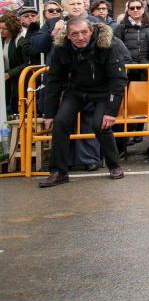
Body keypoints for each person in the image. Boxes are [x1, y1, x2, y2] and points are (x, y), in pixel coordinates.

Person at [38, 16, 130, 187]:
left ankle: (114, 165)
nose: (80, 38)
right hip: (76, 91)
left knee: (100, 124)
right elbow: (54, 81)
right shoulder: (61, 48)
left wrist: (110, 112)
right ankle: (58, 172)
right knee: (60, 123)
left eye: (83, 33)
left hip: (103, 91)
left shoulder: (109, 44)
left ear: (91, 31)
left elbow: (118, 80)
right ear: (67, 35)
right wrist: (49, 114)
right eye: (74, 34)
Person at [1, 11, 29, 116]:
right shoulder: (2, 40)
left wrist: (10, 73)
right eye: (0, 28)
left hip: (19, 79)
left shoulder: (21, 39)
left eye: (4, 29)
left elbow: (27, 63)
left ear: (12, 28)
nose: (1, 31)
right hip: (6, 80)